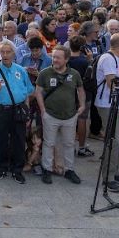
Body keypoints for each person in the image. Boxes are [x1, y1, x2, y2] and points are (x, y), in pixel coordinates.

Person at [0, 40, 34, 183]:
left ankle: (17, 169)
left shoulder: (20, 70)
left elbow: (28, 92)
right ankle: (0, 168)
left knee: (18, 140)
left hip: (18, 109)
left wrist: (27, 111)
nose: (5, 55)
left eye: (8, 52)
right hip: (0, 110)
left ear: (14, 53)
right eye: (2, 52)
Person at [36, 47, 85, 185]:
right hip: (50, 114)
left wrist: (82, 105)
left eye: (58, 57)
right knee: (49, 143)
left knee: (69, 144)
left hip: (70, 116)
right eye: (54, 57)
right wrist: (43, 110)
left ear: (67, 59)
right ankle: (46, 169)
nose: (55, 60)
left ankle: (69, 170)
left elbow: (80, 89)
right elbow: (38, 91)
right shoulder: (45, 73)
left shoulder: (74, 74)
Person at [93, 33, 119, 192]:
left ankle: (114, 172)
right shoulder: (108, 58)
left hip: (118, 103)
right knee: (113, 141)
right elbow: (111, 82)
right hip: (107, 104)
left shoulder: (116, 58)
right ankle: (107, 177)